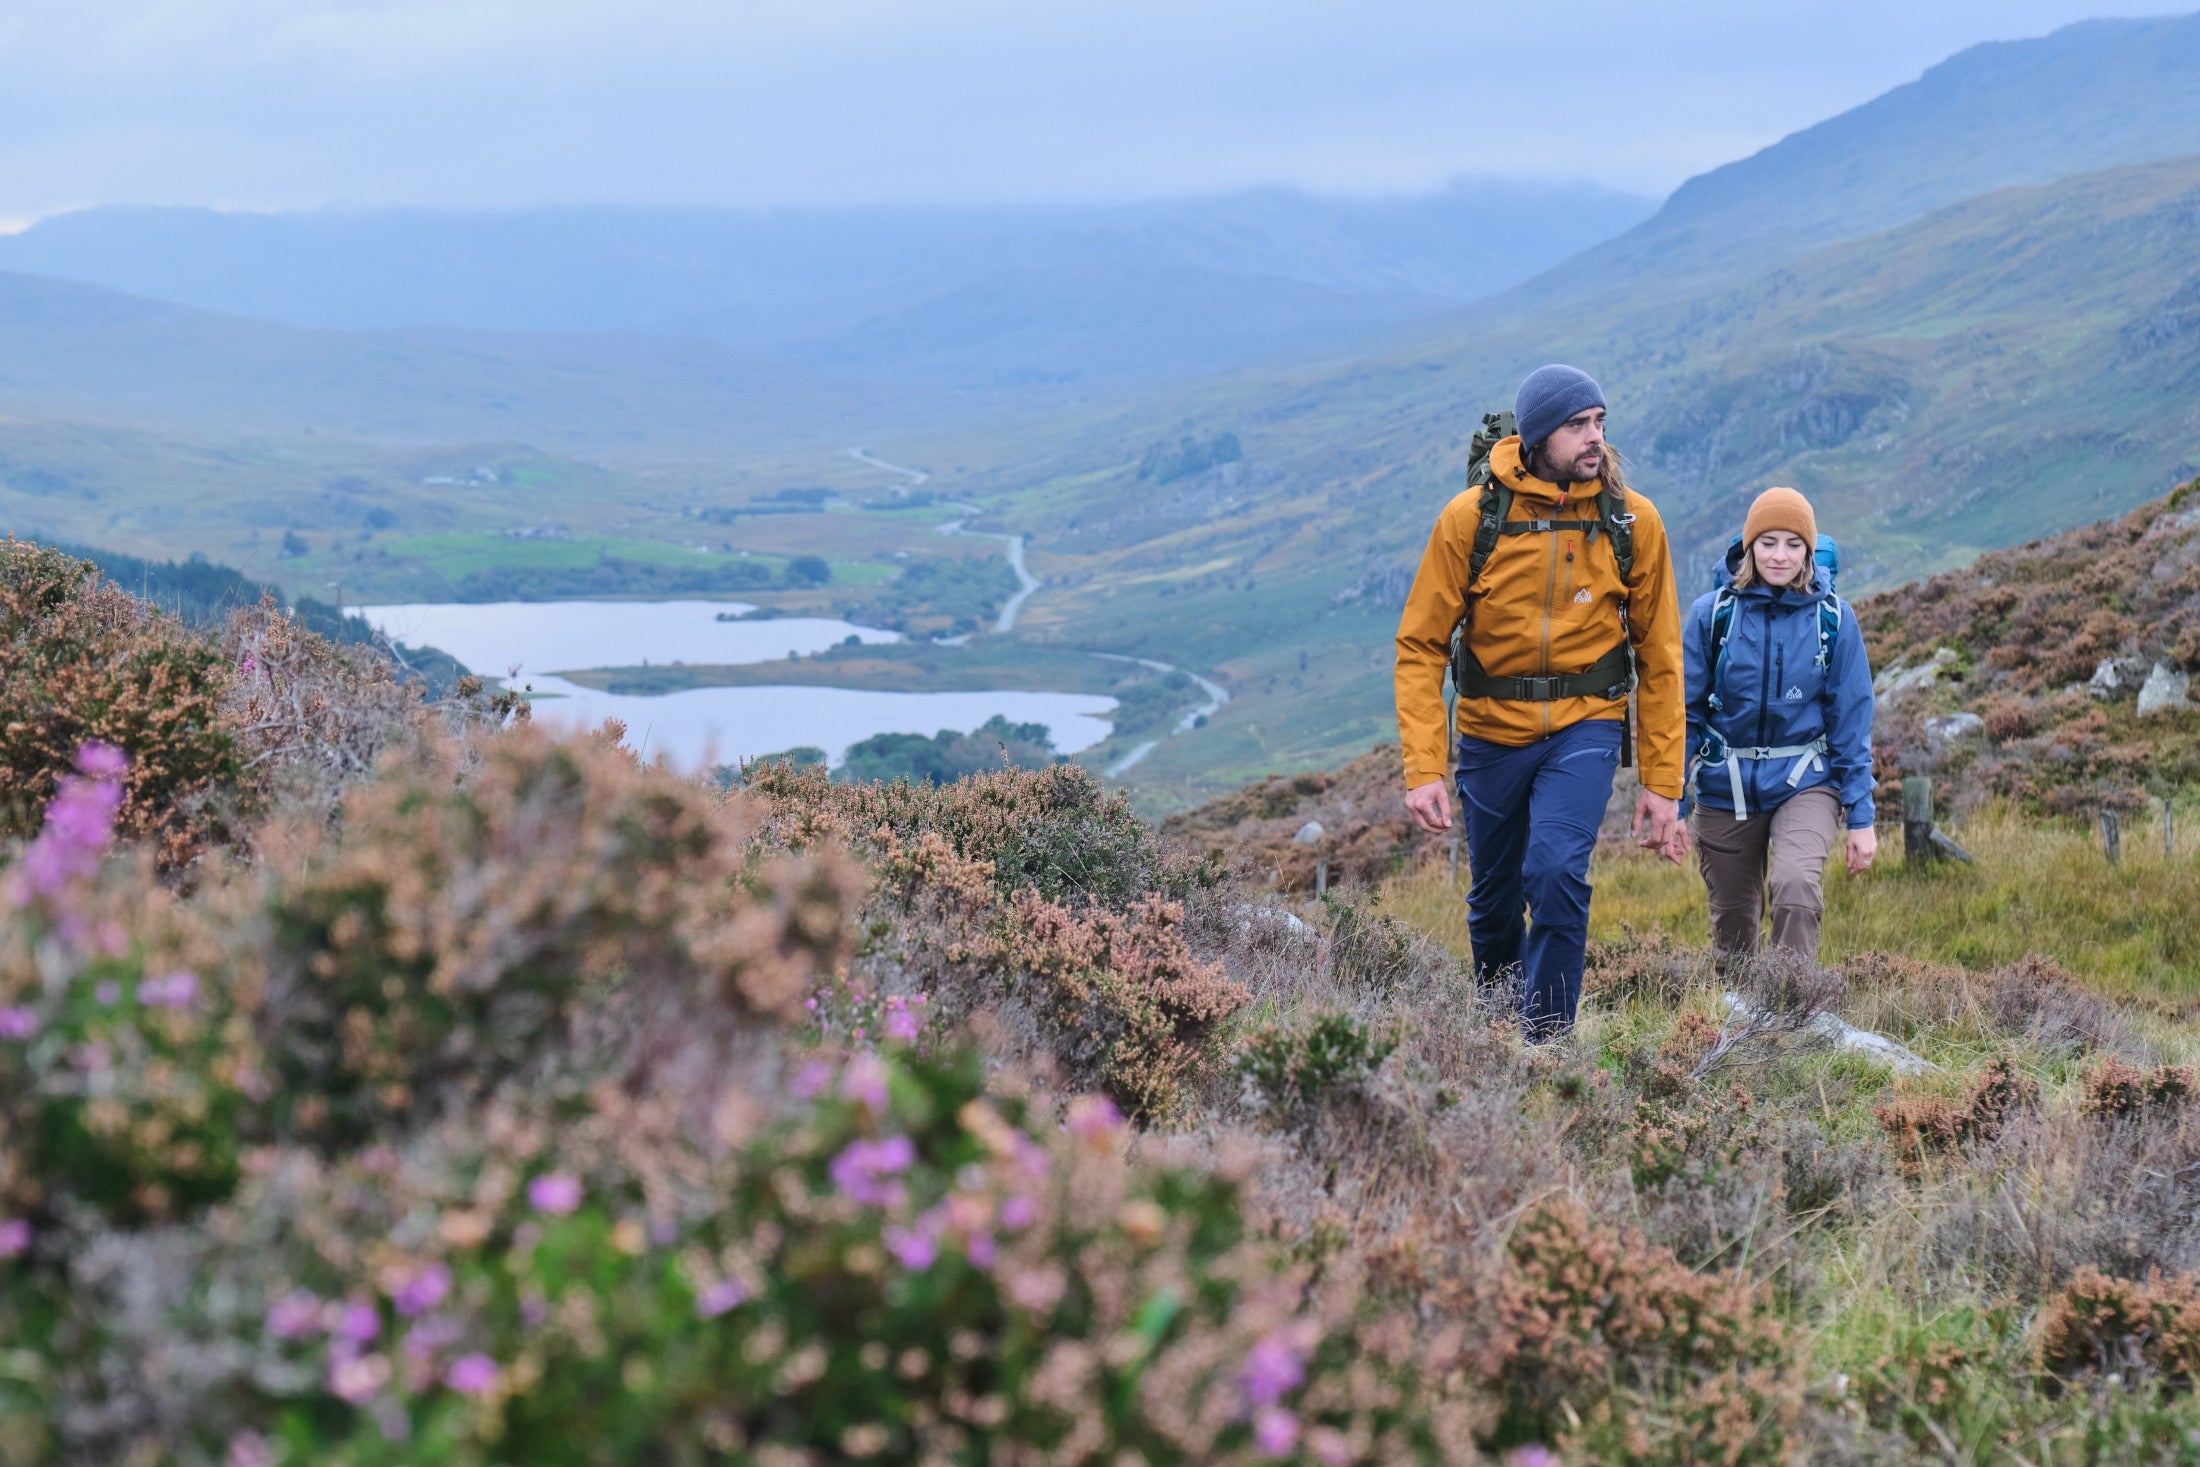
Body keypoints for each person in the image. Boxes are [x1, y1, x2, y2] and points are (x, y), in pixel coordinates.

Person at [1396, 364, 1686, 1040]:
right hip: (1491, 734)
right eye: (1578, 425)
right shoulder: (1470, 520)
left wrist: (1664, 783)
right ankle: (1499, 1031)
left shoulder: (1632, 520)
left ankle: (1546, 1046)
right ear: (1535, 436)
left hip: (1585, 728)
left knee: (1556, 871)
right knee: (1494, 902)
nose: (1596, 438)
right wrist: (1422, 766)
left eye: (1600, 423)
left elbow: (1662, 659)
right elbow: (1420, 647)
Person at [1678, 486, 1877, 965]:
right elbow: (1683, 713)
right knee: (1734, 926)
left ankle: (1795, 1015)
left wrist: (1862, 817)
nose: (1780, 555)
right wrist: (1670, 796)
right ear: (1749, 546)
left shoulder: (1834, 618)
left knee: (1795, 889)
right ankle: (1740, 1027)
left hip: (1805, 782)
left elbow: (1851, 722)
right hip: (1725, 785)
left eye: (1793, 543)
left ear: (1809, 550)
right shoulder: (1712, 616)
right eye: (1768, 542)